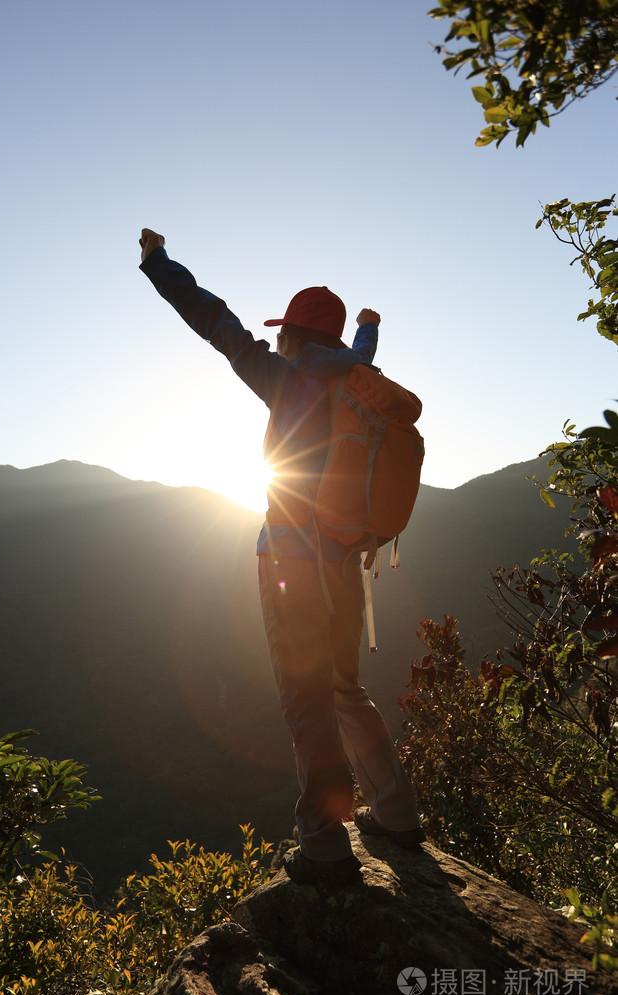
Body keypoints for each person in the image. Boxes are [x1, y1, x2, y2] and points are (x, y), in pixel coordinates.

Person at [138, 229, 425, 885]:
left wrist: (159, 265)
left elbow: (218, 322)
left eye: (287, 332)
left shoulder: (283, 378)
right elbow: (355, 349)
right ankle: (398, 811)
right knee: (347, 690)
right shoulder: (358, 379)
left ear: (294, 336)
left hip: (292, 564)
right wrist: (369, 329)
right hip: (351, 565)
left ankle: (324, 842)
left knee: (306, 699)